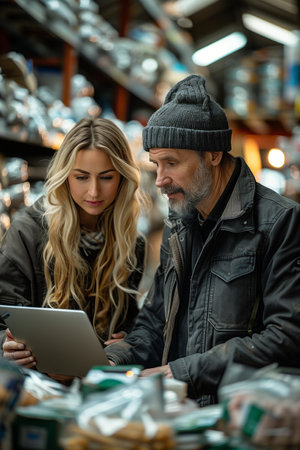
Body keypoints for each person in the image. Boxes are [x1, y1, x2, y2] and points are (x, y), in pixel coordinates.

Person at [105, 74, 300, 407]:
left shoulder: (279, 222)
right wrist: (115, 361)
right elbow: (156, 320)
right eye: (156, 164)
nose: (161, 180)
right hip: (180, 412)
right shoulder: (178, 222)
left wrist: (183, 373)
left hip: (237, 416)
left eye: (172, 163)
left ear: (213, 154)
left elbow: (287, 334)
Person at [0, 117, 146, 377]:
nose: (93, 191)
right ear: (65, 175)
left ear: (123, 177)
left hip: (99, 387)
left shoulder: (132, 243)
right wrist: (6, 345)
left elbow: (134, 327)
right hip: (36, 385)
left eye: (106, 177)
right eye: (81, 177)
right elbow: (3, 320)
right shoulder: (26, 232)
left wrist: (127, 343)